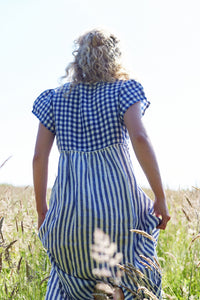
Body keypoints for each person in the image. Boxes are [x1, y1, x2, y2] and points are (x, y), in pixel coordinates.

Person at [32, 29, 170, 300]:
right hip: (120, 213)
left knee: (69, 285)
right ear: (115, 57)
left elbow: (39, 157)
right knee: (133, 277)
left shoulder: (54, 98)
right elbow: (140, 138)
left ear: (78, 59)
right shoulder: (124, 90)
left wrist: (41, 211)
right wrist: (160, 196)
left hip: (68, 219)